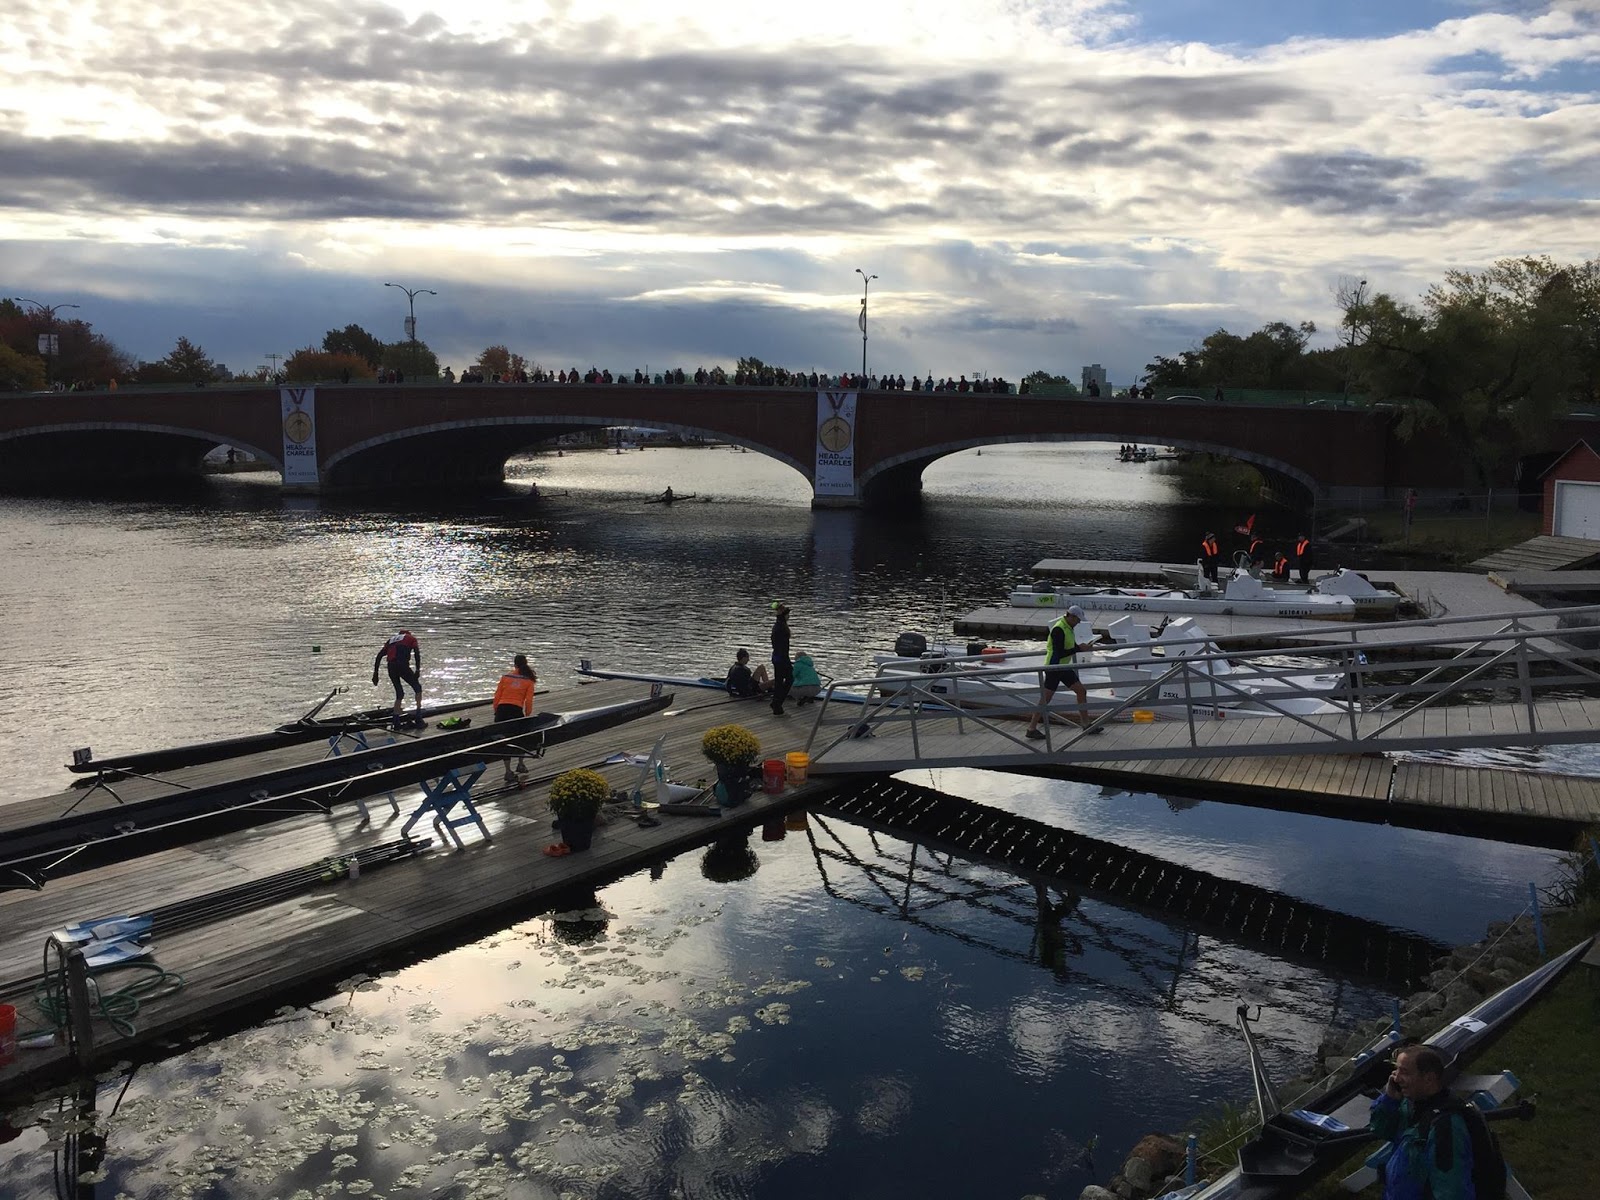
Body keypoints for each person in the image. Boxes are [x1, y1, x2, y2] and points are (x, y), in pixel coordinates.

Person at [1369, 1043, 1475, 1200]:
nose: (1396, 1078)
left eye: (1404, 1072)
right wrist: (1389, 1100)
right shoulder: (1411, 1104)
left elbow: (1451, 1191)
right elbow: (1381, 1130)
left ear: (1429, 1079)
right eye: (1396, 1070)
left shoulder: (1445, 1125)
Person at [1024, 605, 1101, 739]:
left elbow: (1070, 646)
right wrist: (1079, 649)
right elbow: (1059, 652)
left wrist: (1083, 646)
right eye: (1077, 620)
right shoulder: (1059, 629)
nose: (1078, 623)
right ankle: (1031, 728)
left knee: (1081, 691)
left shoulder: (1068, 628)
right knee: (1045, 699)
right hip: (1054, 667)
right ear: (1071, 617)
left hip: (1063, 666)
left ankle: (1086, 724)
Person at [491, 654, 538, 782]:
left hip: (502, 710)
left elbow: (497, 696)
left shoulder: (505, 677)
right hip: (515, 710)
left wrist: (496, 710)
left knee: (504, 740)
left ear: (514, 664)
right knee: (520, 738)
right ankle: (521, 764)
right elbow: (529, 701)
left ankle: (508, 771)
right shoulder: (529, 681)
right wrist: (527, 715)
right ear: (526, 663)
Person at [372, 630, 422, 722]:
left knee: (399, 693)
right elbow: (416, 653)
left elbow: (379, 656)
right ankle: (418, 716)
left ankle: (396, 721)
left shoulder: (391, 640)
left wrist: (376, 673)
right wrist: (418, 669)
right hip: (402, 665)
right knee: (417, 688)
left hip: (391, 667)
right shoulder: (411, 638)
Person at [769, 603, 793, 715]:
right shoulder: (781, 627)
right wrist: (786, 660)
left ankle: (776, 702)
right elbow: (782, 646)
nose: (789, 616)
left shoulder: (778, 626)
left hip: (777, 657)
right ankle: (777, 703)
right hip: (782, 658)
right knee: (789, 679)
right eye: (788, 614)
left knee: (779, 681)